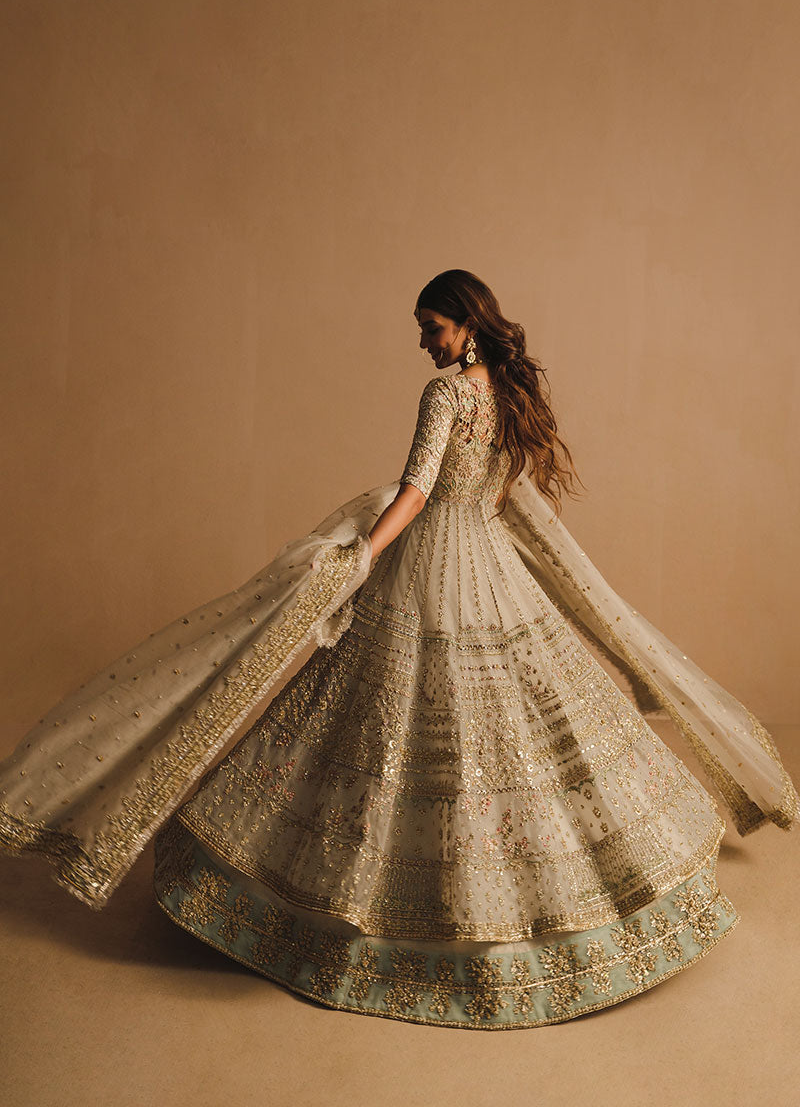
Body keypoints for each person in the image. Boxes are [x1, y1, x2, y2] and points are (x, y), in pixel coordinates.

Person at [0, 270, 797, 1030]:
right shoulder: (508, 392)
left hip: (429, 570)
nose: (424, 344)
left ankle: (377, 922)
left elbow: (415, 489)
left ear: (467, 325)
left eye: (432, 328)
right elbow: (498, 488)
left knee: (381, 726)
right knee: (505, 731)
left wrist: (364, 555)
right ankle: (538, 918)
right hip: (491, 566)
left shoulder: (447, 391)